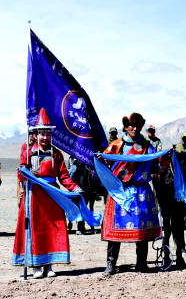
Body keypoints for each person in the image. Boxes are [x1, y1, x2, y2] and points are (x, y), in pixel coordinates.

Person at [12, 108, 84, 279]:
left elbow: (64, 176)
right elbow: (21, 174)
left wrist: (74, 188)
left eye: (47, 134)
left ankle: (49, 264)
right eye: (41, 134)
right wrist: (23, 169)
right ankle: (35, 265)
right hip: (34, 196)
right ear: (35, 135)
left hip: (52, 196)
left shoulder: (57, 154)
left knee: (53, 227)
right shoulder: (28, 151)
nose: (45, 137)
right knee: (35, 229)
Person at [101, 112, 161, 275]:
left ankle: (141, 264)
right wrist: (98, 159)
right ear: (125, 127)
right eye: (131, 125)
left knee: (141, 228)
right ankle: (111, 264)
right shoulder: (116, 144)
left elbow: (157, 164)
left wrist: (167, 158)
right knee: (115, 228)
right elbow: (105, 162)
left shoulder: (147, 146)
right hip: (120, 191)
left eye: (138, 126)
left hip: (141, 191)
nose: (134, 128)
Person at [17, 131, 37, 206]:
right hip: (27, 171)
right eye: (31, 134)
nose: (32, 136)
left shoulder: (39, 144)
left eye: (34, 134)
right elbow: (22, 158)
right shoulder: (25, 146)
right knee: (23, 193)